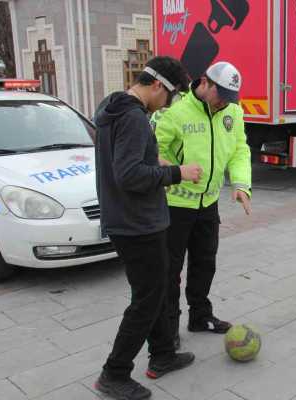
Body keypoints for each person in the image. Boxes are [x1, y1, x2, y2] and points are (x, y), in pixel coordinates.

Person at [93, 56, 201, 400]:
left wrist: (154, 160)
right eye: (170, 97)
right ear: (157, 86)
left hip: (127, 219)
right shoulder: (135, 117)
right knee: (147, 299)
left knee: (154, 292)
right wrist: (176, 173)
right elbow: (129, 176)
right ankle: (114, 373)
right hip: (138, 223)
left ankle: (163, 355)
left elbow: (123, 161)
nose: (168, 105)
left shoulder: (112, 107)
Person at [154, 61, 252, 349]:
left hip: (208, 204)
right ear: (204, 83)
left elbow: (239, 149)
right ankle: (169, 327)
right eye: (220, 94)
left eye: (229, 97)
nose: (224, 102)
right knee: (170, 271)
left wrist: (241, 184)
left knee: (205, 263)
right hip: (176, 205)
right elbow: (154, 149)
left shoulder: (232, 112)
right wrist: (173, 169)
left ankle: (201, 316)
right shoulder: (177, 112)